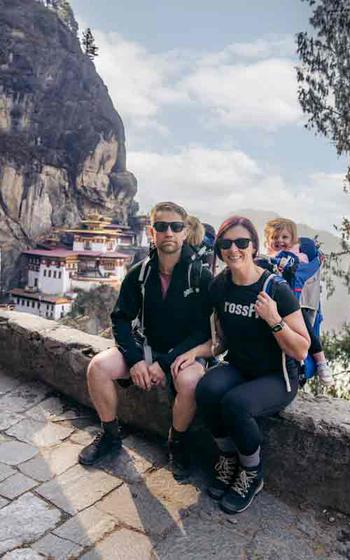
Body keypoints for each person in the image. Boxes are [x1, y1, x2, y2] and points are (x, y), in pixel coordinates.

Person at [171, 215, 310, 513]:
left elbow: (301, 349)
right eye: (226, 243)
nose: (234, 249)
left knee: (236, 403)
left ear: (254, 247)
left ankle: (251, 472)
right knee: (207, 388)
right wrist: (194, 353)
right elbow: (219, 340)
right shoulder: (221, 286)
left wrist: (274, 320)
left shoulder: (275, 289)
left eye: (242, 242)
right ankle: (228, 457)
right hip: (240, 367)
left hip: (278, 377)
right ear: (220, 249)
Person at [78, 201, 212, 479]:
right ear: (152, 232)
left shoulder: (199, 276)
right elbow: (121, 318)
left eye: (176, 227)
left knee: (189, 382)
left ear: (185, 232)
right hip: (147, 348)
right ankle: (110, 435)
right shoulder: (140, 273)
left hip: (185, 353)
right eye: (161, 227)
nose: (169, 233)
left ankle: (177, 444)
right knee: (98, 367)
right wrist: (136, 359)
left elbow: (203, 331)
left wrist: (164, 364)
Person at [264, 218, 332, 385]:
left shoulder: (298, 256)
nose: (279, 241)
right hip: (273, 305)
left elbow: (299, 268)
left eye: (285, 237)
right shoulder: (267, 257)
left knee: (307, 330)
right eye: (275, 237)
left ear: (293, 240)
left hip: (296, 304)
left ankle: (321, 361)